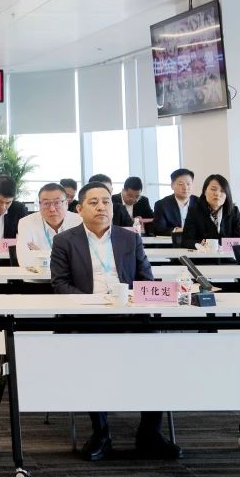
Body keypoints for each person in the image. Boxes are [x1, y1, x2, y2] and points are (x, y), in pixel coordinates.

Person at [49, 182, 182, 462]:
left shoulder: (129, 238)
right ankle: (101, 433)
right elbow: (60, 285)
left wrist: (131, 300)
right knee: (91, 360)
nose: (101, 207)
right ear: (79, 208)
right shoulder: (65, 241)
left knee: (159, 352)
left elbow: (146, 280)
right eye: (94, 202)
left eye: (106, 201)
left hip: (129, 315)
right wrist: (95, 303)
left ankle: (150, 433)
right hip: (88, 319)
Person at [15, 183, 83, 266]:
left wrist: (42, 254)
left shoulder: (79, 221)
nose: (52, 209)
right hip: (39, 275)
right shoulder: (26, 223)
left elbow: (83, 259)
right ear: (39, 205)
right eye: (46, 203)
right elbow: (25, 261)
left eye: (57, 203)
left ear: (66, 204)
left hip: (70, 276)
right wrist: (66, 257)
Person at [180, 174, 240, 248]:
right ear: (205, 191)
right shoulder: (194, 212)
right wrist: (200, 244)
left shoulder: (234, 211)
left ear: (227, 195)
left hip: (227, 255)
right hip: (204, 254)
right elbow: (186, 241)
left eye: (222, 191)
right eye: (213, 189)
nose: (217, 194)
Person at [151, 168, 195, 237]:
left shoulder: (200, 203)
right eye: (181, 184)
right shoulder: (162, 205)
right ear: (172, 185)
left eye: (188, 184)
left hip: (197, 242)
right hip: (172, 242)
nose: (185, 187)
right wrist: (181, 230)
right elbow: (159, 230)